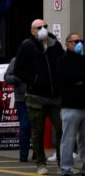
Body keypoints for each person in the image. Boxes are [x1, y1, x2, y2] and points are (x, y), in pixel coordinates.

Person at [13, 19, 65, 175]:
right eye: (39, 27)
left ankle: (64, 163)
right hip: (35, 97)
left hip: (54, 96)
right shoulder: (27, 45)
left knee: (62, 129)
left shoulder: (54, 44)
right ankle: (40, 163)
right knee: (37, 131)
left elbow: (62, 62)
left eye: (45, 26)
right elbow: (18, 70)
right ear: (32, 30)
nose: (43, 29)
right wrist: (32, 81)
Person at [57, 32, 85, 176]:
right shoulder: (62, 60)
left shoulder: (83, 60)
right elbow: (66, 79)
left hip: (83, 105)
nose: (79, 44)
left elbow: (77, 78)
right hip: (70, 106)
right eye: (75, 41)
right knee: (68, 140)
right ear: (67, 43)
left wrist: (78, 80)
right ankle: (66, 168)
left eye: (81, 41)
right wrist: (78, 80)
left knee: (83, 141)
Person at [4, 56, 31, 162]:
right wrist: (17, 78)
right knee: (25, 127)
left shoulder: (39, 58)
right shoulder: (16, 60)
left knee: (37, 128)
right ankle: (23, 155)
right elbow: (7, 77)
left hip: (38, 98)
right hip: (22, 99)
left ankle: (38, 154)